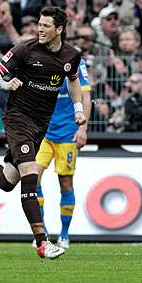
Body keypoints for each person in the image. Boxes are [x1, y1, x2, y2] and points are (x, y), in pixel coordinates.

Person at [0, 6, 88, 259]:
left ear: (59, 29)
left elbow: (73, 79)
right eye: (39, 25)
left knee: (5, 181)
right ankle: (42, 242)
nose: (40, 30)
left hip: (40, 124)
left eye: (46, 26)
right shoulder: (25, 48)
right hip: (17, 118)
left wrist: (78, 108)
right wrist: (5, 83)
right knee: (30, 174)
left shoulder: (71, 55)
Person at [35, 59, 92, 249]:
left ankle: (64, 234)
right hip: (44, 132)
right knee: (32, 178)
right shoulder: (39, 59)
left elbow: (86, 96)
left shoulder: (75, 62)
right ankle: (41, 233)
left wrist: (82, 129)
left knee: (65, 183)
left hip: (67, 133)